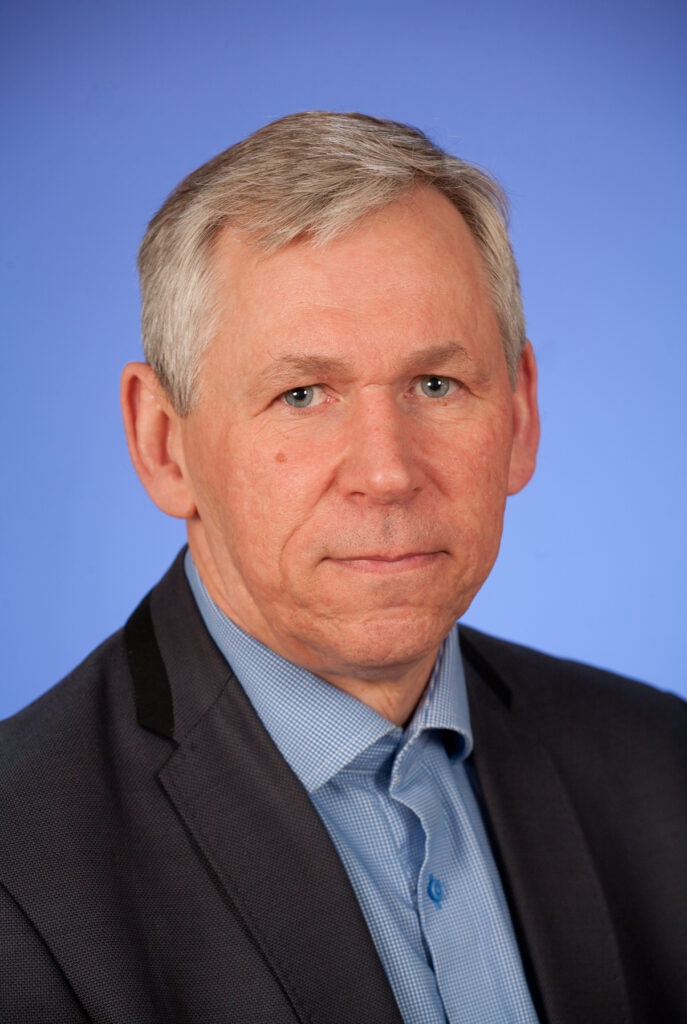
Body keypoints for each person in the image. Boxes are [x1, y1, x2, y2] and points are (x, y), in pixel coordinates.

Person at [1, 112, 685, 1024]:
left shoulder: (661, 769)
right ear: (164, 443)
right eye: (301, 394)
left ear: (520, 416)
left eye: (435, 385)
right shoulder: (20, 876)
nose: (386, 472)